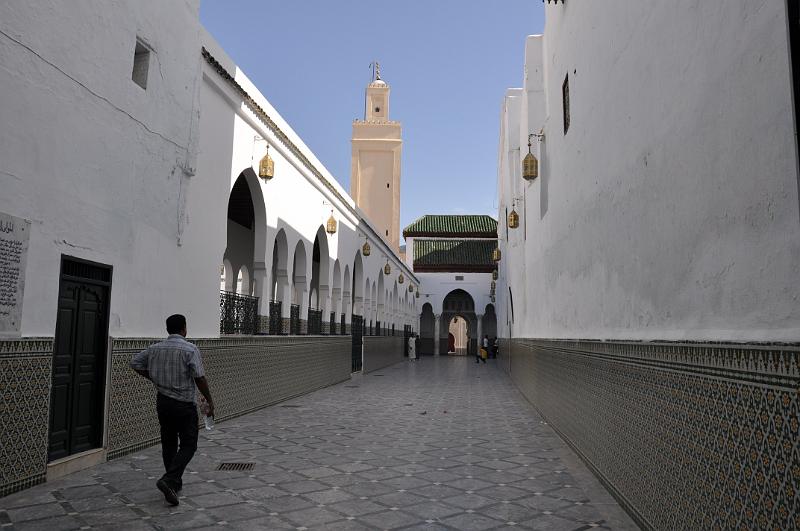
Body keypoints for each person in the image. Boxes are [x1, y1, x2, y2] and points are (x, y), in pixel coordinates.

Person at [130, 314, 214, 506]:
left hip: (163, 403)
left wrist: (153, 377)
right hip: (183, 405)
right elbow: (199, 378)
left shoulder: (155, 349)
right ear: (184, 328)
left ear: (168, 329)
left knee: (169, 443)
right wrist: (209, 400)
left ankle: (173, 482)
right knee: (188, 444)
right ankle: (169, 480)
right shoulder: (190, 349)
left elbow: (135, 363)